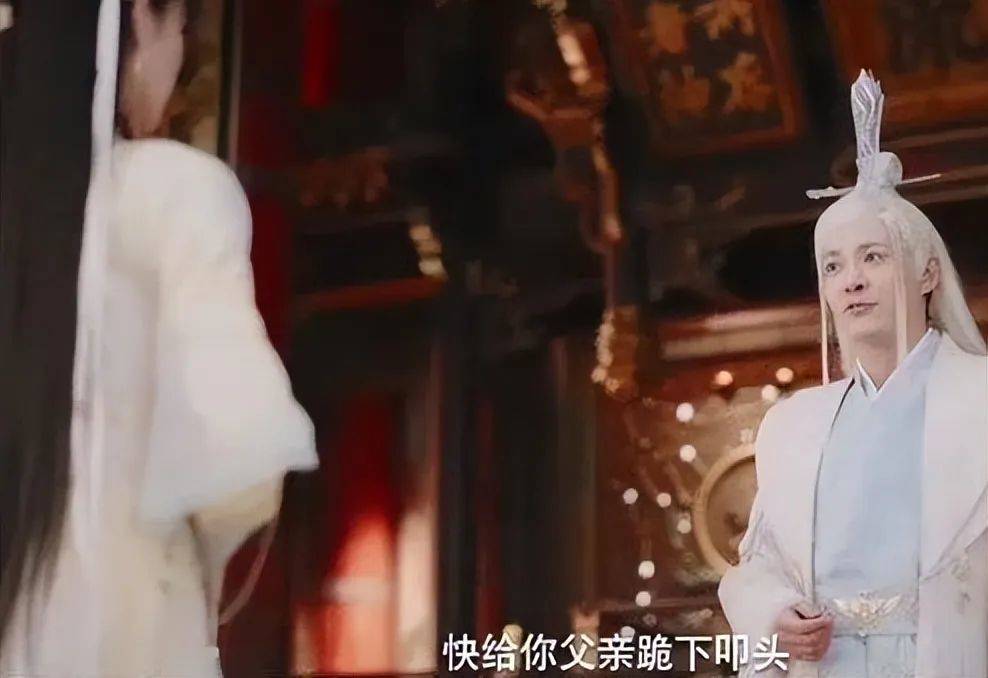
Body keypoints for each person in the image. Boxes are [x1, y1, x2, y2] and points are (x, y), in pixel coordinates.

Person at [0, 0, 318, 675]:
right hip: (118, 623)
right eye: (179, 30)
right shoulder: (174, 193)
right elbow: (237, 461)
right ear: (138, 20)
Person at [718, 71, 988, 678]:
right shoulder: (793, 425)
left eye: (874, 257)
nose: (852, 281)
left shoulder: (982, 398)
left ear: (927, 273)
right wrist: (776, 614)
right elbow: (757, 565)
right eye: (833, 266)